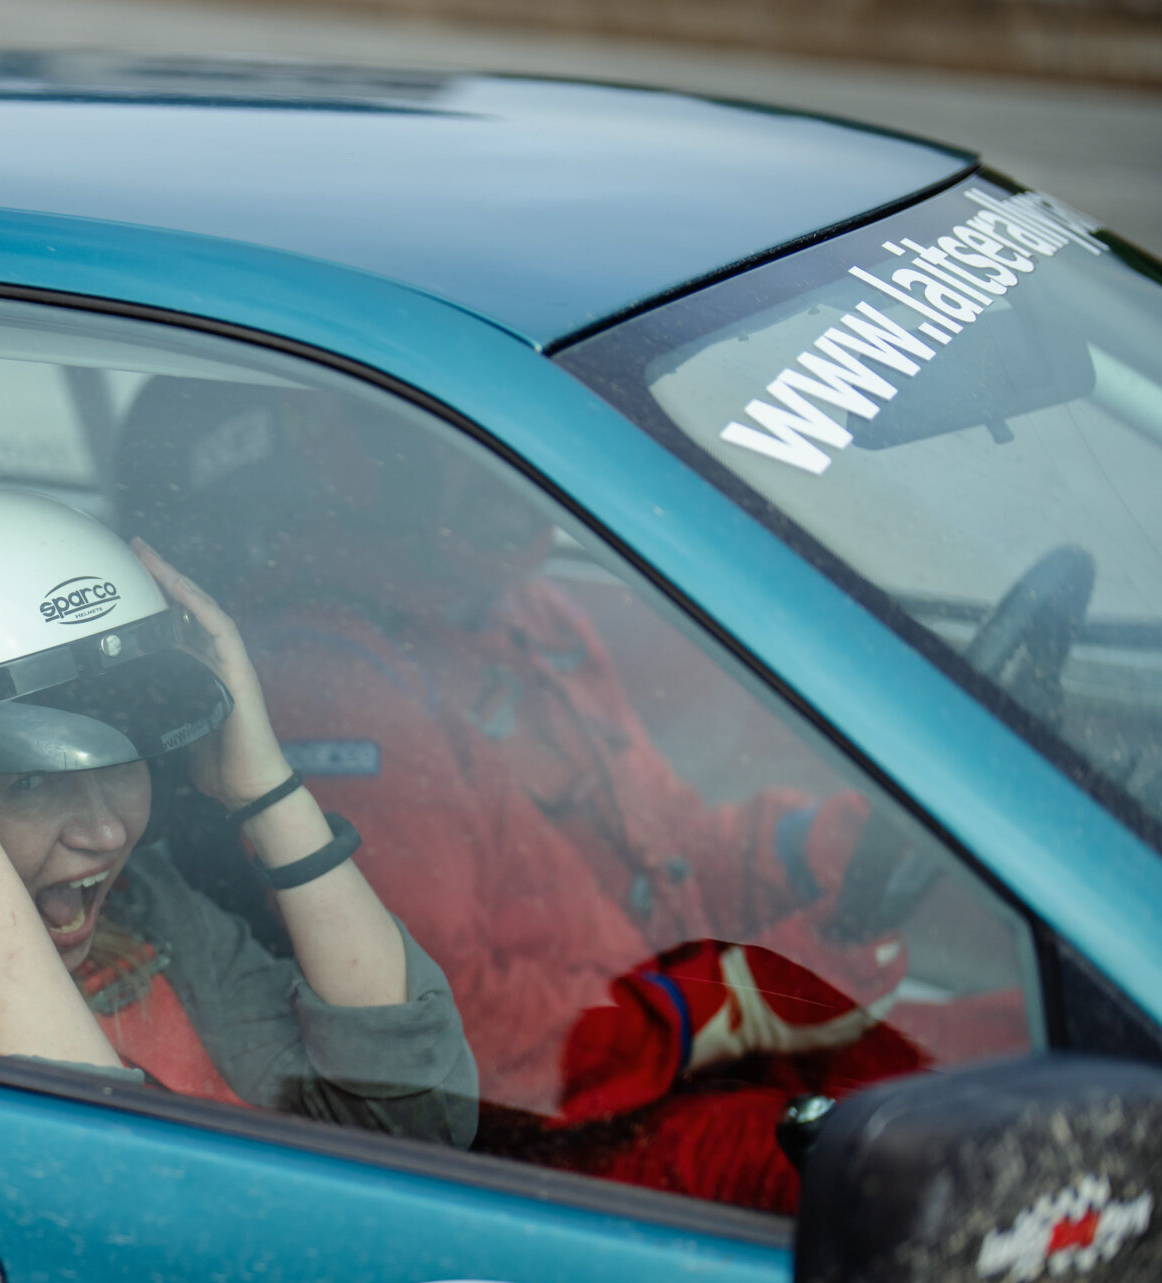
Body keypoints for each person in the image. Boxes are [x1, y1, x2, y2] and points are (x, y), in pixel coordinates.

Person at [114, 379, 1028, 1212]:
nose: (509, 495)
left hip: (679, 1057)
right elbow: (476, 1039)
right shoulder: (337, 685)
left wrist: (814, 843)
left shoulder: (524, 616)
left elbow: (669, 841)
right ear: (369, 460)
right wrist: (738, 1000)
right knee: (986, 1154)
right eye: (467, 459)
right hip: (576, 1146)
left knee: (1028, 1043)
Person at [0, 485, 478, 1149]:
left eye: (125, 758)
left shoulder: (147, 916)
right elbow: (92, 1194)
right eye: (32, 781)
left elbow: (416, 1122)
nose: (106, 832)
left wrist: (263, 787)